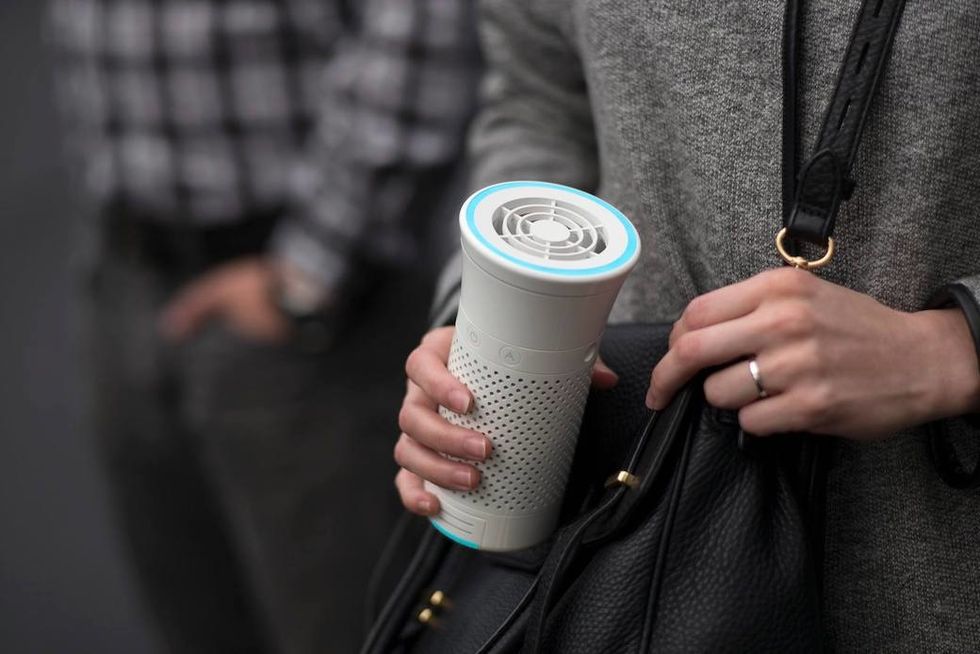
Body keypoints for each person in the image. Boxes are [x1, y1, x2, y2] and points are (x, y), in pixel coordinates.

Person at [391, 1, 980, 650]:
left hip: (935, 550)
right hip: (617, 519)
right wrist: (479, 330)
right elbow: (540, 102)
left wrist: (955, 349)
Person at [49, 0, 480, 651]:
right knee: (199, 621)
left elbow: (425, 25)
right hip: (124, 269)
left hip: (308, 301)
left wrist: (310, 272)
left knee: (344, 627)